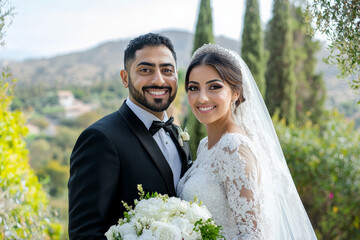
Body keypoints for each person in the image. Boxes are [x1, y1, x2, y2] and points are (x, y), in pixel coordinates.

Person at [177, 44, 317, 239]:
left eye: (214, 87)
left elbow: (251, 235)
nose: (202, 97)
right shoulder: (205, 145)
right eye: (194, 88)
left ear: (235, 92)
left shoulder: (233, 148)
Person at [68, 33, 192, 239]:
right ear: (125, 78)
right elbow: (84, 234)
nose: (158, 79)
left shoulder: (176, 133)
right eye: (145, 70)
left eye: (167, 70)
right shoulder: (99, 139)